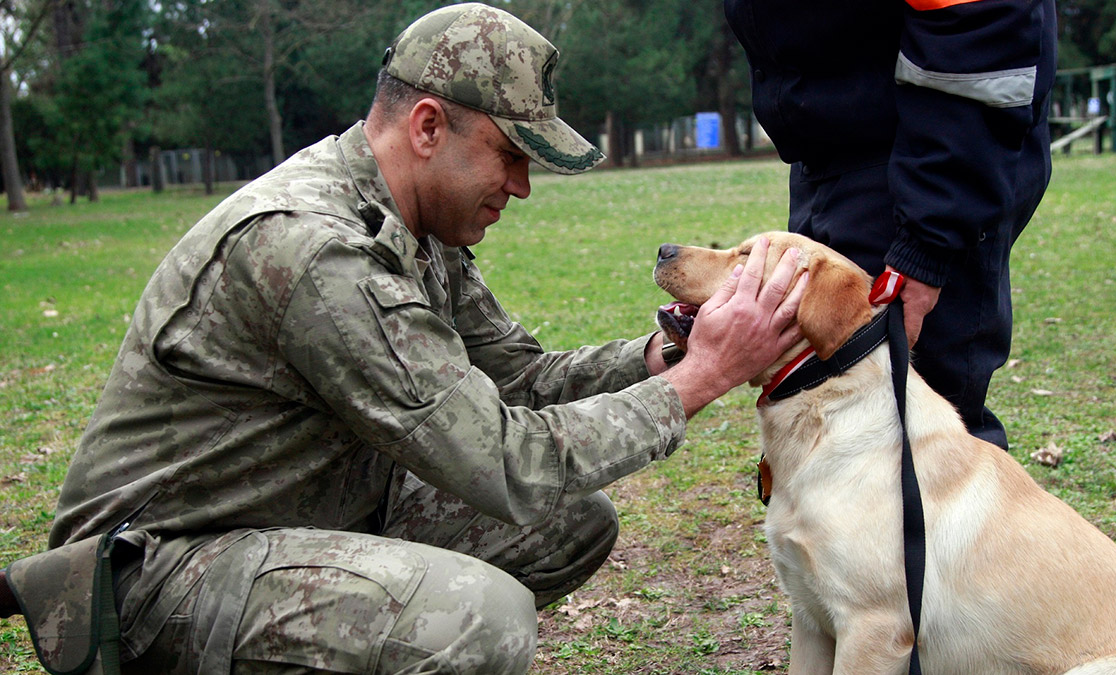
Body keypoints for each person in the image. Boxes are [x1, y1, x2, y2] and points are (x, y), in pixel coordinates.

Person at [0, 4, 809, 674]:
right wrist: (701, 379)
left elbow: (518, 378)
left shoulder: (418, 225)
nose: (521, 187)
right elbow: (504, 461)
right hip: (160, 570)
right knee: (480, 619)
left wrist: (660, 355)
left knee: (573, 522)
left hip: (294, 514)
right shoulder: (318, 250)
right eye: (510, 155)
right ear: (428, 126)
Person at [724, 0, 1057, 450]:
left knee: (912, 425)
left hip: (922, 154)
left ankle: (926, 523)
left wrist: (928, 240)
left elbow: (979, 24)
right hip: (831, 153)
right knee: (827, 402)